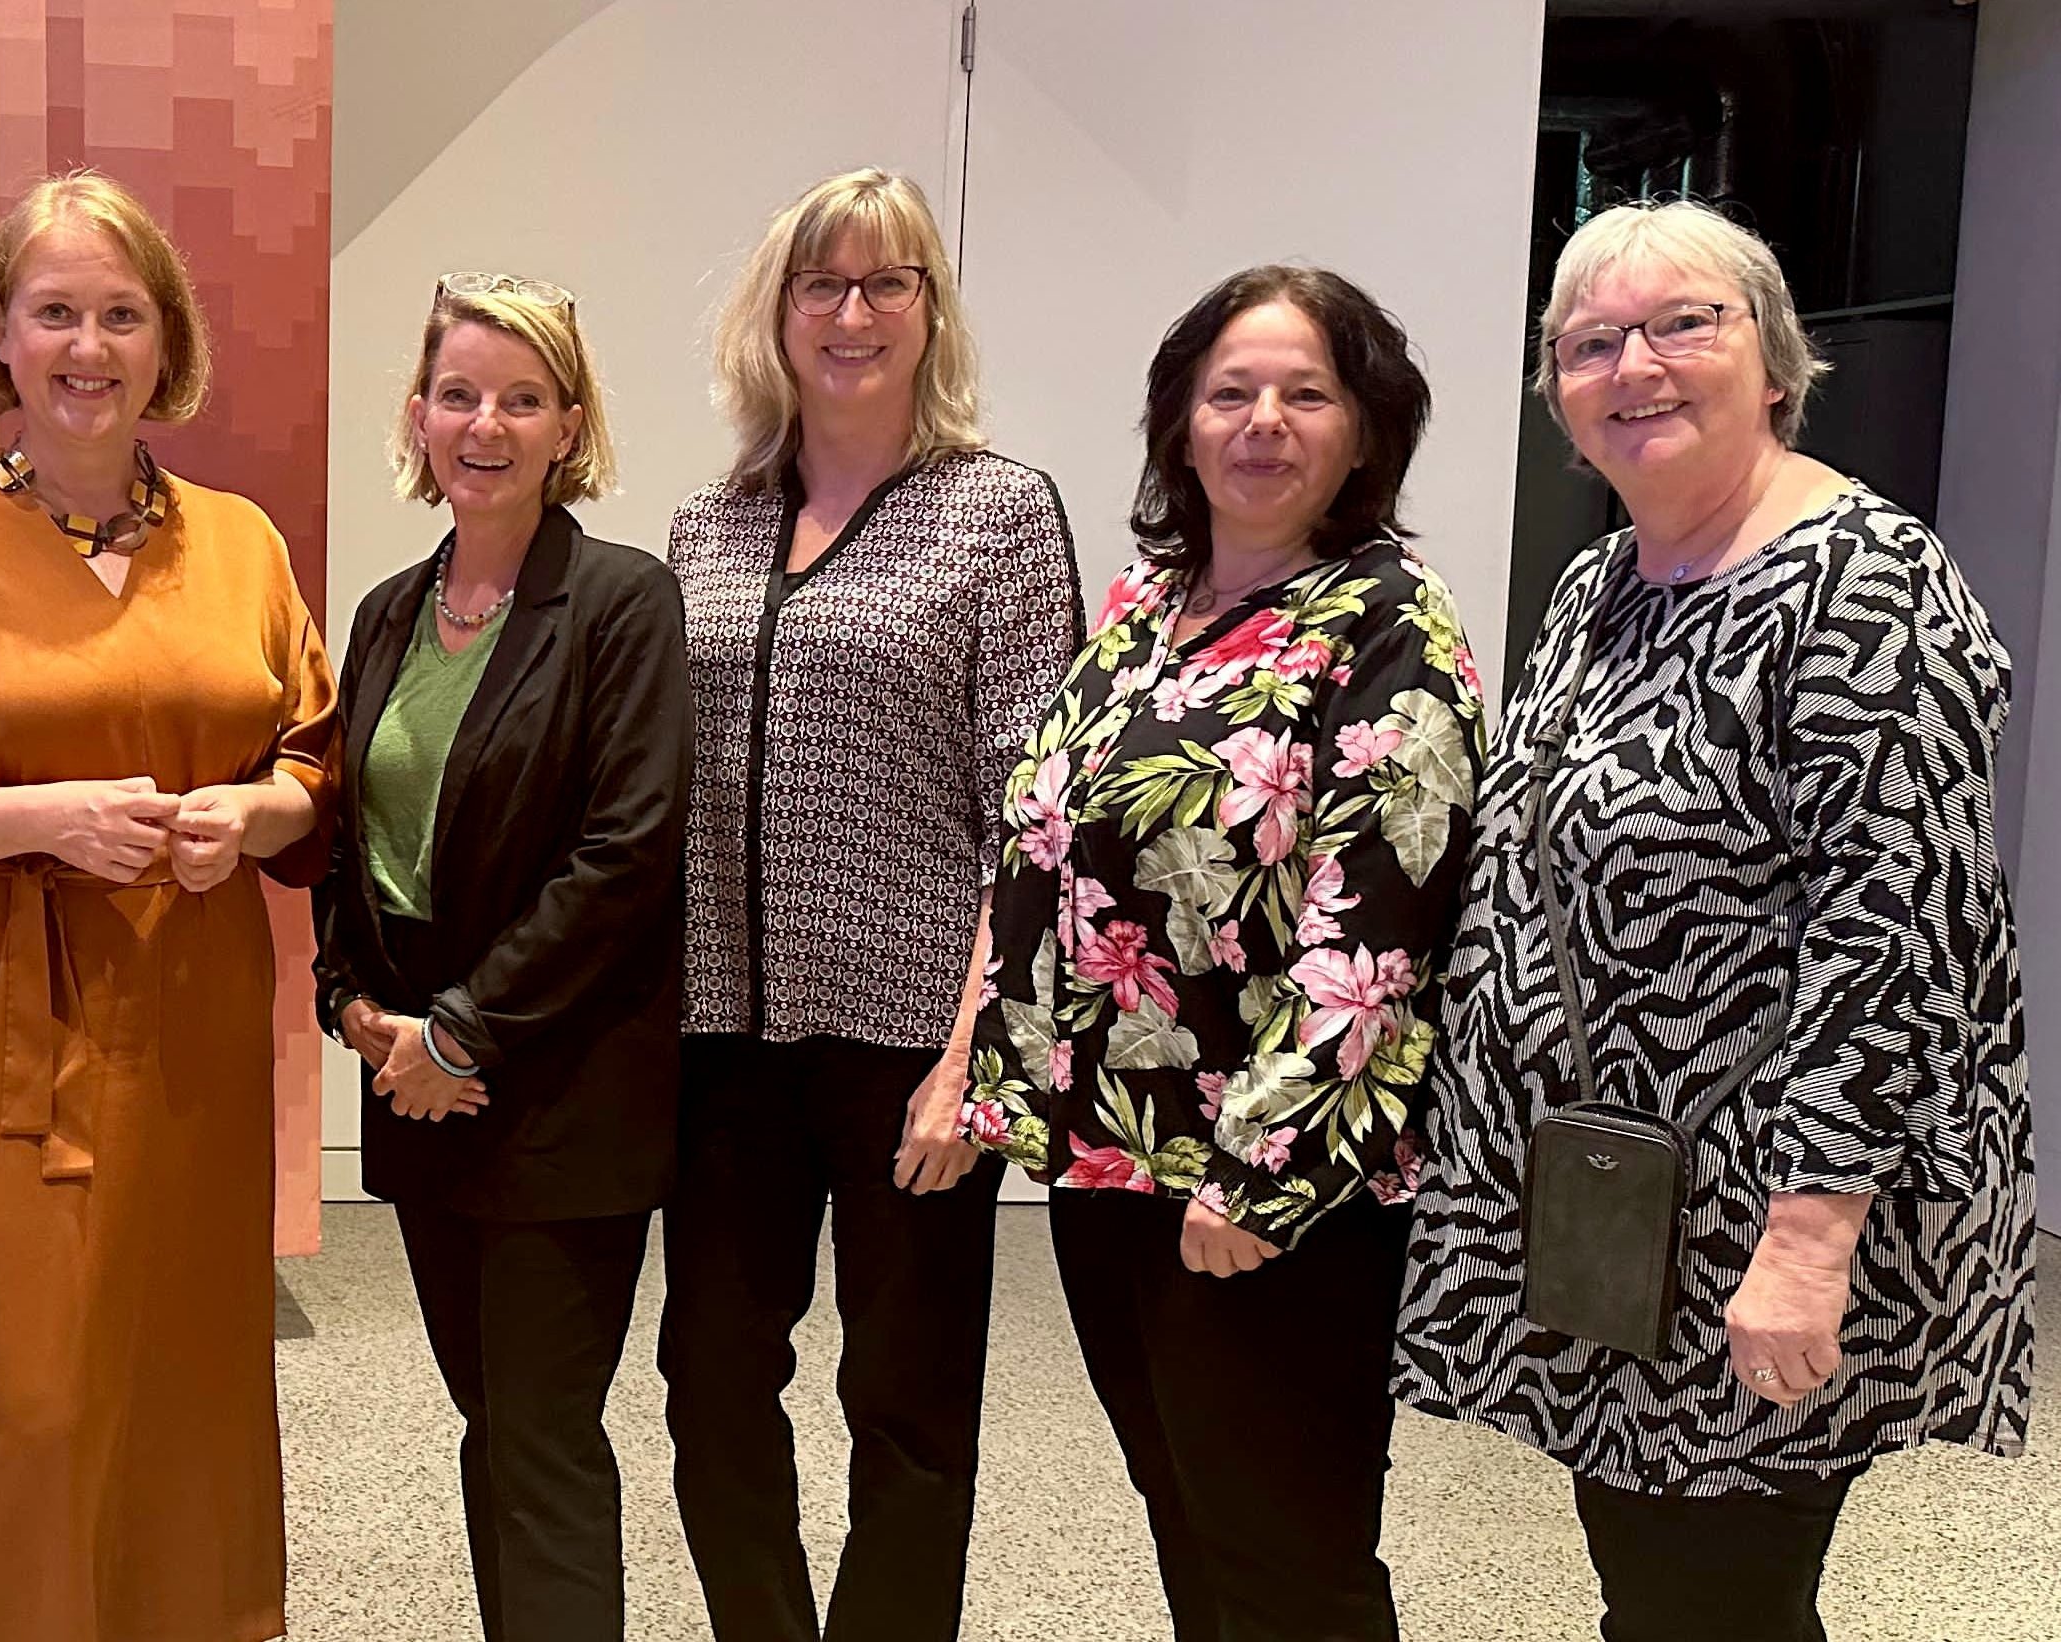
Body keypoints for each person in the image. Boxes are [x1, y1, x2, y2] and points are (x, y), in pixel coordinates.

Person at [1396, 199, 2035, 1642]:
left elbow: (1898, 929)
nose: (1638, 365)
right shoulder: (1600, 583)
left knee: (1714, 1601)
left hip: (1774, 1207)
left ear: (1777, 362)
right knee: (1660, 1577)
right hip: (1627, 1205)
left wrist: (1809, 1237)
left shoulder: (1866, 582)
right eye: (1591, 340)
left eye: (1687, 323)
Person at [0, 169, 337, 1642]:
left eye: (121, 312)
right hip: (10, 1037)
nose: (88, 344)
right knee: (37, 1402)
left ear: (165, 342)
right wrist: (50, 816)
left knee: (195, 1379)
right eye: (55, 312)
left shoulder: (239, 542)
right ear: (1, 335)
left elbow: (312, 753)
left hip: (197, 1023)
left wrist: (258, 810)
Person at [964, 265, 1482, 1641]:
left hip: (1276, 1188)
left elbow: (1378, 928)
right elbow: (1050, 842)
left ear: (1367, 431)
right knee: (1191, 1518)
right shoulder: (1147, 606)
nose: (1264, 419)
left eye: (1307, 393)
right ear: (1180, 424)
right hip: (1113, 1149)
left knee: (1288, 1554)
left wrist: (1265, 1175)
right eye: (1230, 391)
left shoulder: (1387, 624)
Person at [658, 166, 1078, 1642]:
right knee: (709, 1383)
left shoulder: (999, 516)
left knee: (904, 1404)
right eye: (821, 284)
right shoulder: (705, 526)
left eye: (887, 282)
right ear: (775, 314)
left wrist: (974, 1056)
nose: (852, 312)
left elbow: (1038, 815)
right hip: (721, 1039)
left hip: (914, 1039)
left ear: (929, 313)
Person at [315, 272, 689, 1641]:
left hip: (556, 1092)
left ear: (567, 425)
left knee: (539, 1437)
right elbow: (346, 829)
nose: (487, 421)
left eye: (522, 398)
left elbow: (626, 855)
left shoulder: (622, 605)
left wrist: (462, 1030)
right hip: (415, 1092)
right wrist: (349, 1002)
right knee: (491, 1420)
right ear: (417, 418)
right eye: (460, 393)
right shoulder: (387, 613)